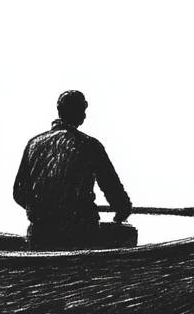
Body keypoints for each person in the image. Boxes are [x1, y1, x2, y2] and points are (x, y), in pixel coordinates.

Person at [13, 91, 135, 249]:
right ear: (78, 113)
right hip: (80, 234)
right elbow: (112, 187)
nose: (84, 115)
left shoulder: (33, 144)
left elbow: (19, 192)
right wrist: (122, 210)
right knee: (127, 233)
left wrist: (42, 211)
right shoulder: (90, 145)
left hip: (40, 235)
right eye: (82, 110)